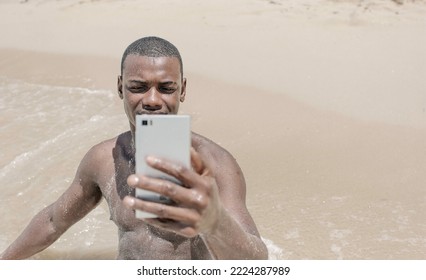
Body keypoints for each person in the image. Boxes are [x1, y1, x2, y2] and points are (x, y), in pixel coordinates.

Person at [0, 36, 268, 260]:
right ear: (120, 87)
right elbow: (53, 221)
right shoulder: (103, 159)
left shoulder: (215, 164)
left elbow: (257, 261)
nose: (152, 100)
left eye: (166, 88)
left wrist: (215, 222)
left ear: (182, 90)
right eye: (138, 87)